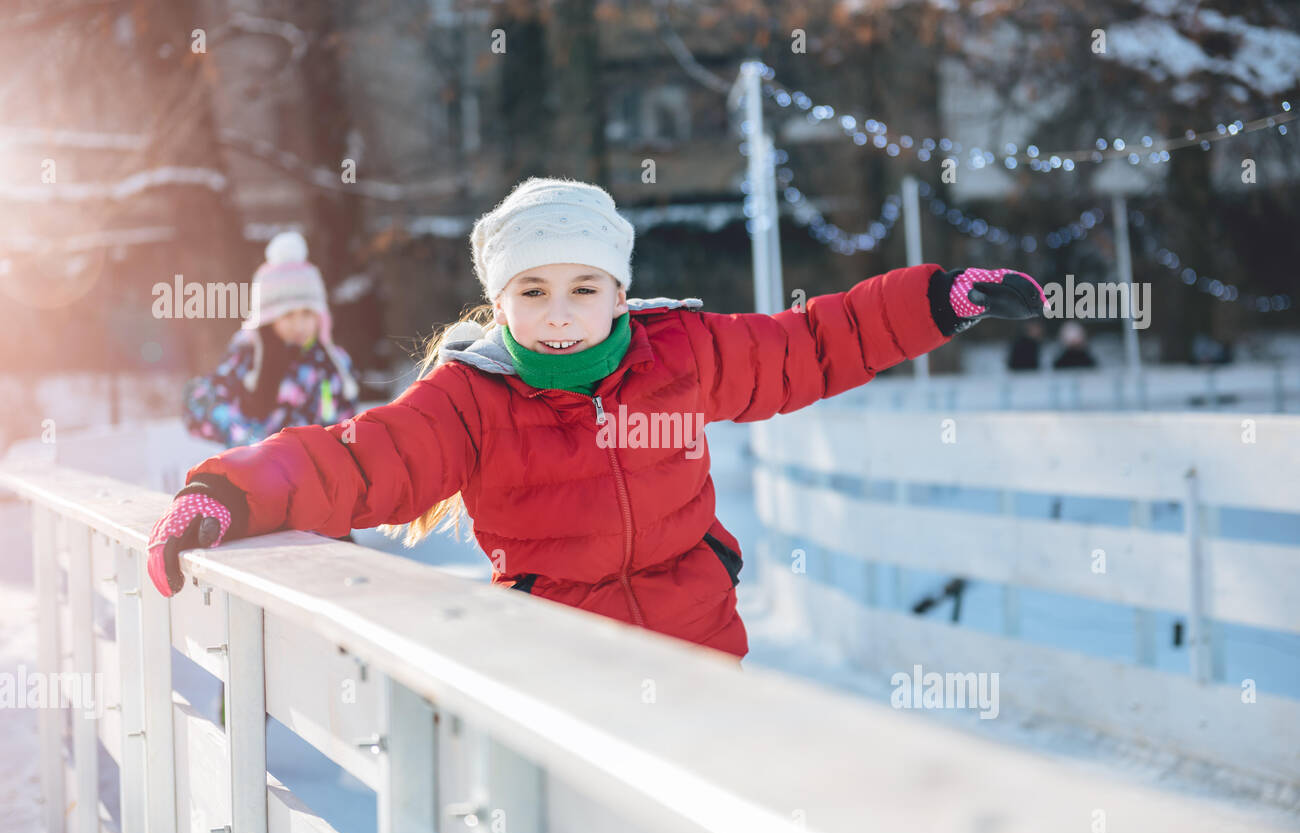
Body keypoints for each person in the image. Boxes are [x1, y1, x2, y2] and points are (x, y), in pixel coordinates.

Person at [146, 176, 1047, 664]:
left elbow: (813, 344)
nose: (561, 312)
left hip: (700, 643)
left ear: (620, 289)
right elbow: (357, 461)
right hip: (562, 660)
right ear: (500, 302)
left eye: (584, 288)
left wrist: (942, 299)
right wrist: (225, 494)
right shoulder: (472, 398)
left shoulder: (681, 350)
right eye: (533, 291)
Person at [182, 231, 360, 448]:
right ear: (269, 317)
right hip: (260, 475)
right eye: (288, 315)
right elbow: (202, 407)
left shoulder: (333, 364)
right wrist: (248, 440)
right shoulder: (249, 356)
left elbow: (347, 424)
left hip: (317, 474)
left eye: (307, 313)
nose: (299, 324)